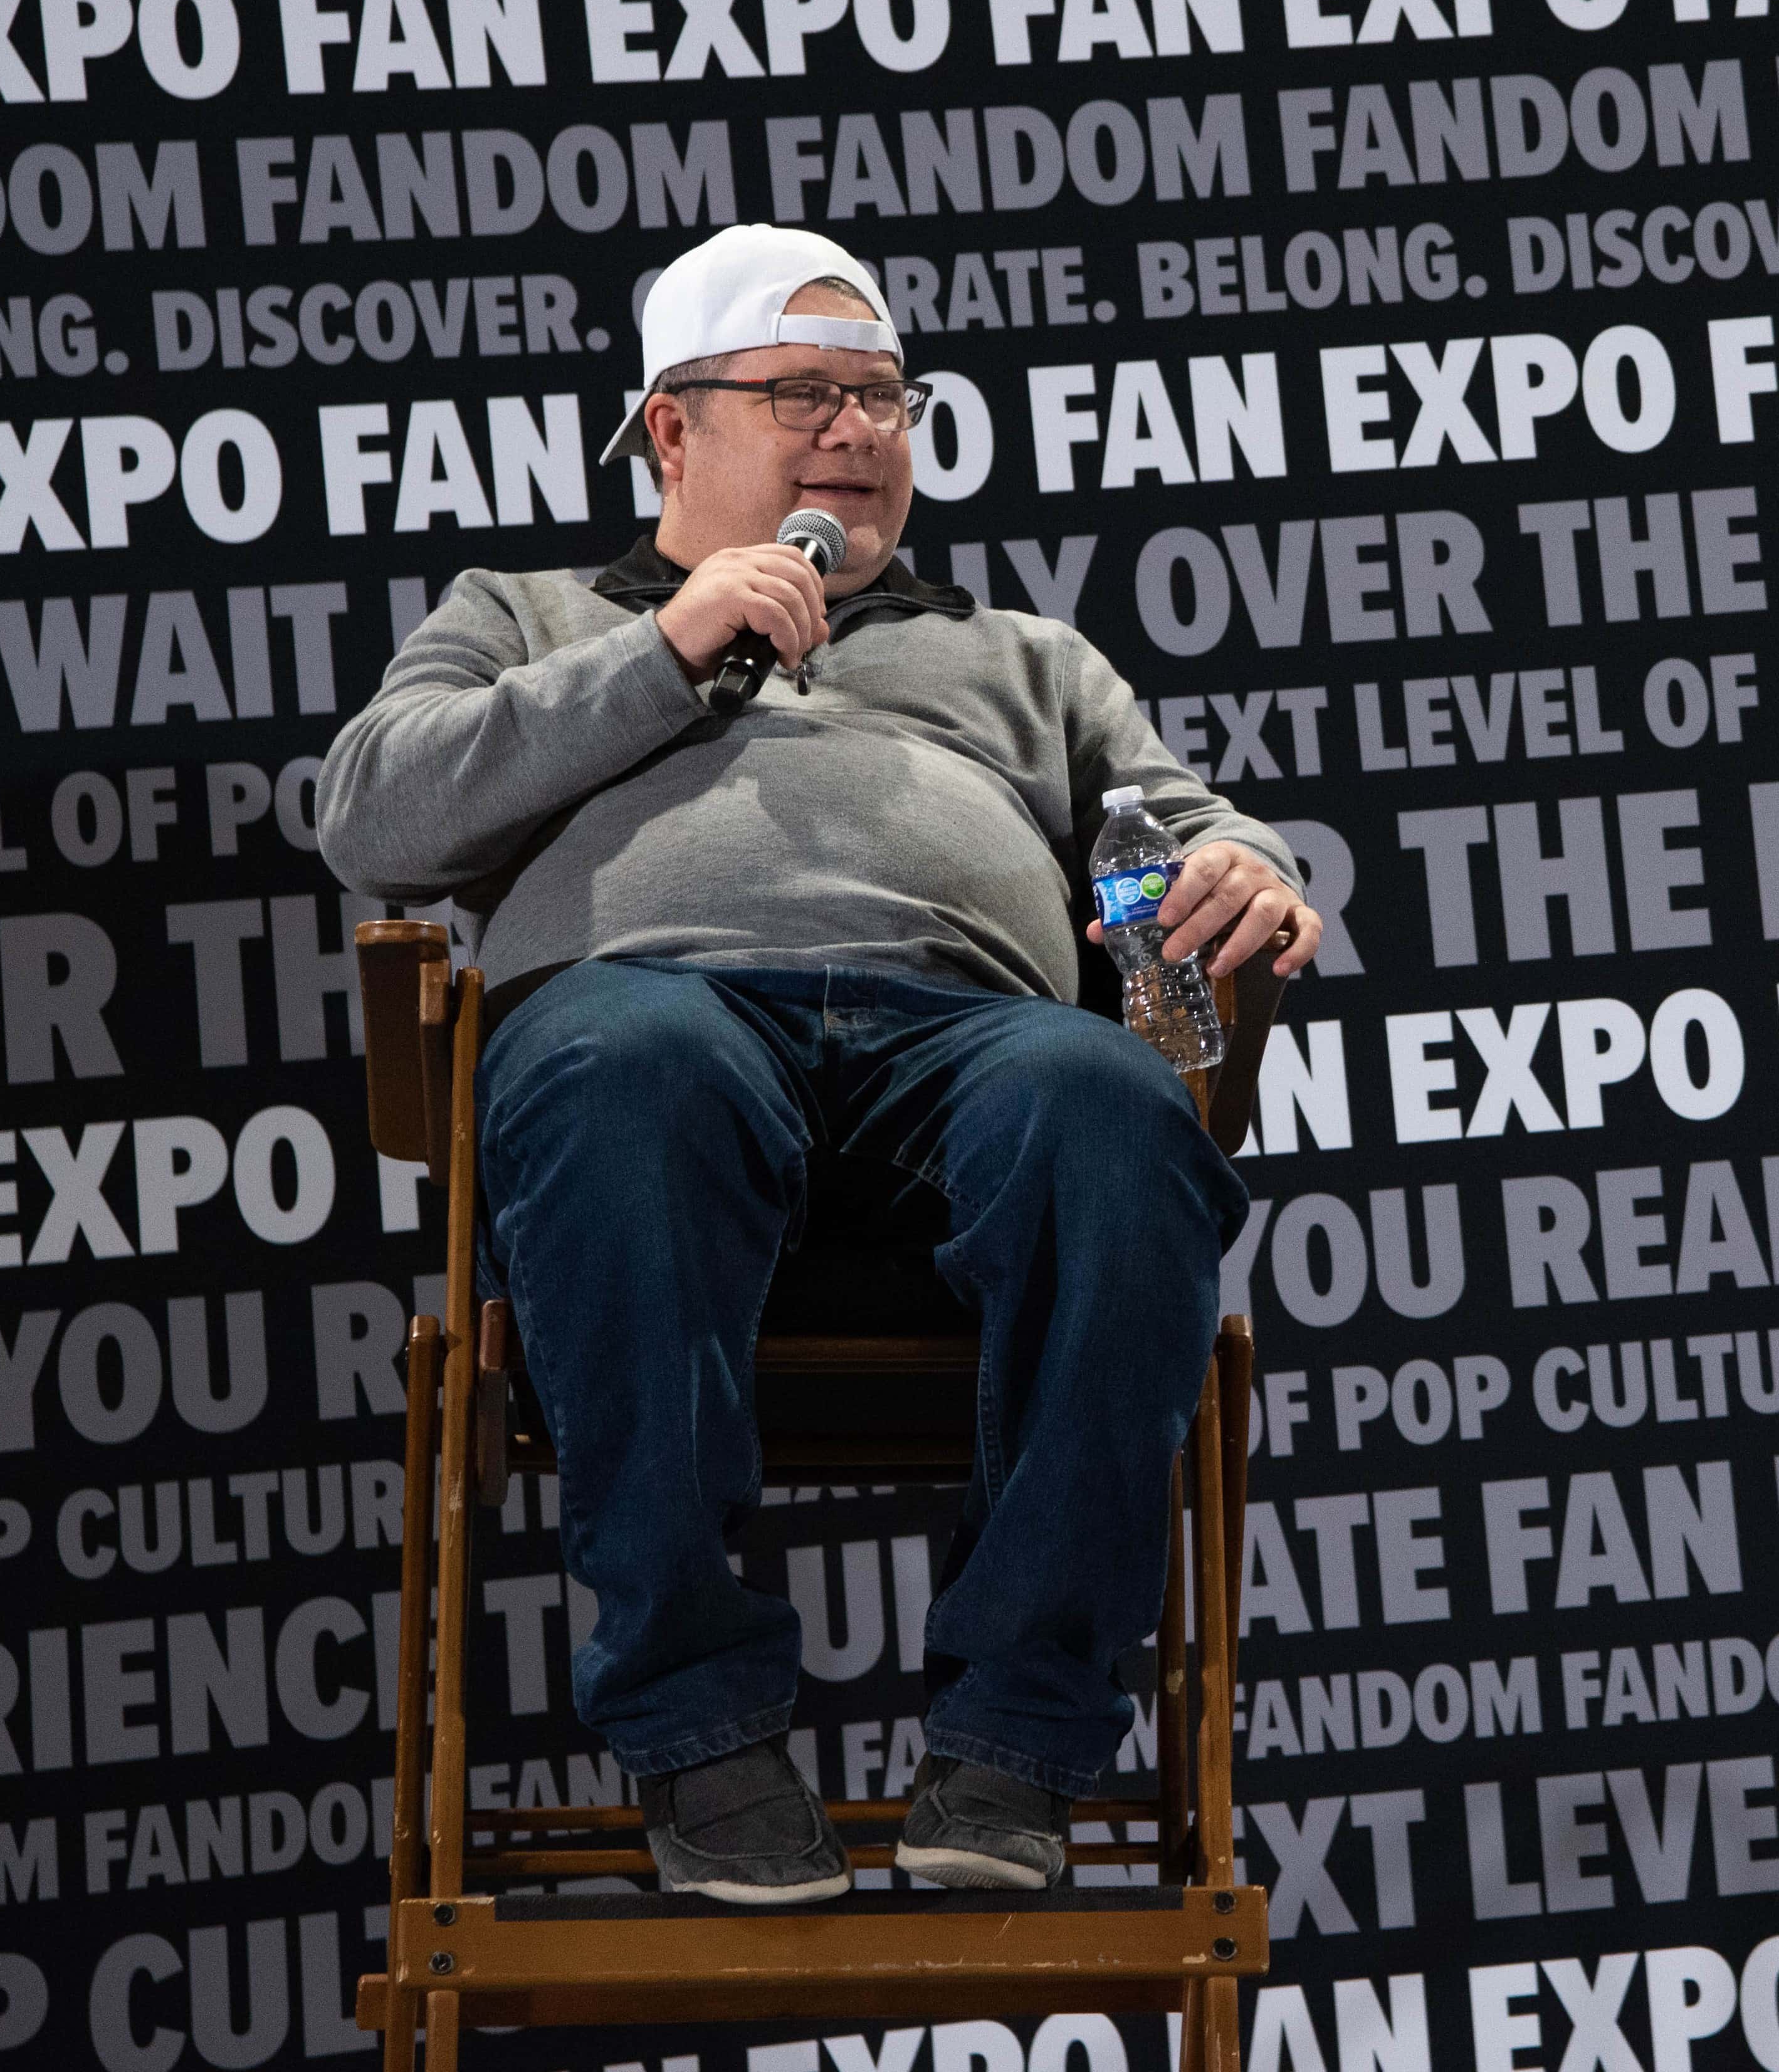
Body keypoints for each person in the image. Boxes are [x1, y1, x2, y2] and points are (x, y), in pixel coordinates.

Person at [320, 224, 1316, 1904]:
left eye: (883, 396)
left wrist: (1242, 865)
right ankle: (702, 1735)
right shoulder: (532, 614)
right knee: (629, 1061)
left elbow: (1175, 833)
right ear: (670, 431)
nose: (857, 430)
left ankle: (1015, 1742)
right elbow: (376, 815)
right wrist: (665, 649)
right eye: (803, 395)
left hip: (966, 1047)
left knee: (1112, 1105)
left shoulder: (1025, 659)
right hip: (654, 1018)